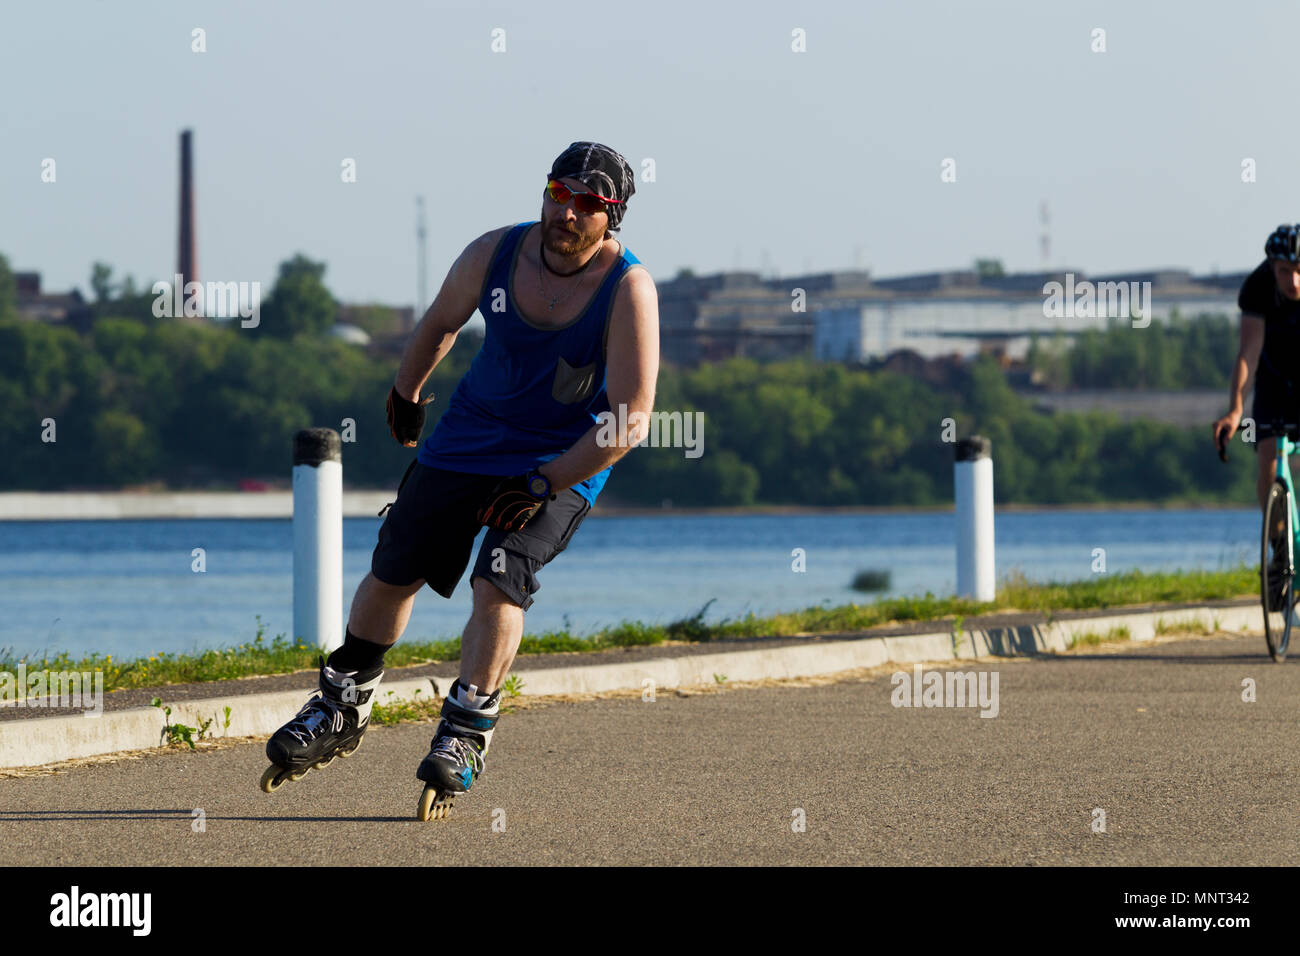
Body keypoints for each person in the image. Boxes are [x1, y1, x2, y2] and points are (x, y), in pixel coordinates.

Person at [261, 142, 659, 816]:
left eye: (588, 204)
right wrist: (407, 389)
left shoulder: (628, 290)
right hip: (471, 436)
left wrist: (544, 482)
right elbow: (442, 320)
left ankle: (466, 730)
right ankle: (341, 705)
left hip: (562, 457)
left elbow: (629, 420)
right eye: (558, 195)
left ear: (612, 217)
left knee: (498, 578)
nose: (567, 214)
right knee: (396, 568)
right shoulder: (494, 253)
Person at [1213, 223, 1300, 607]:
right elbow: (1248, 352)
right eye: (1285, 271)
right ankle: (1280, 553)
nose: (1294, 281)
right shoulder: (1257, 288)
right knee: (1268, 460)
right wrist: (1235, 409)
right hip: (1275, 384)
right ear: (1272, 267)